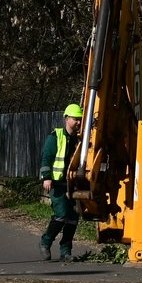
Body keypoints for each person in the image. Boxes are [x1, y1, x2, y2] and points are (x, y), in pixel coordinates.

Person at [39, 103, 85, 261]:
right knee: (61, 215)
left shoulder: (81, 139)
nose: (78, 122)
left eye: (80, 119)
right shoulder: (55, 136)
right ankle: (45, 242)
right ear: (66, 119)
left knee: (72, 219)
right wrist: (46, 177)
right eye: (75, 119)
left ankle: (66, 252)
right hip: (57, 184)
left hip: (73, 184)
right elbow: (47, 158)